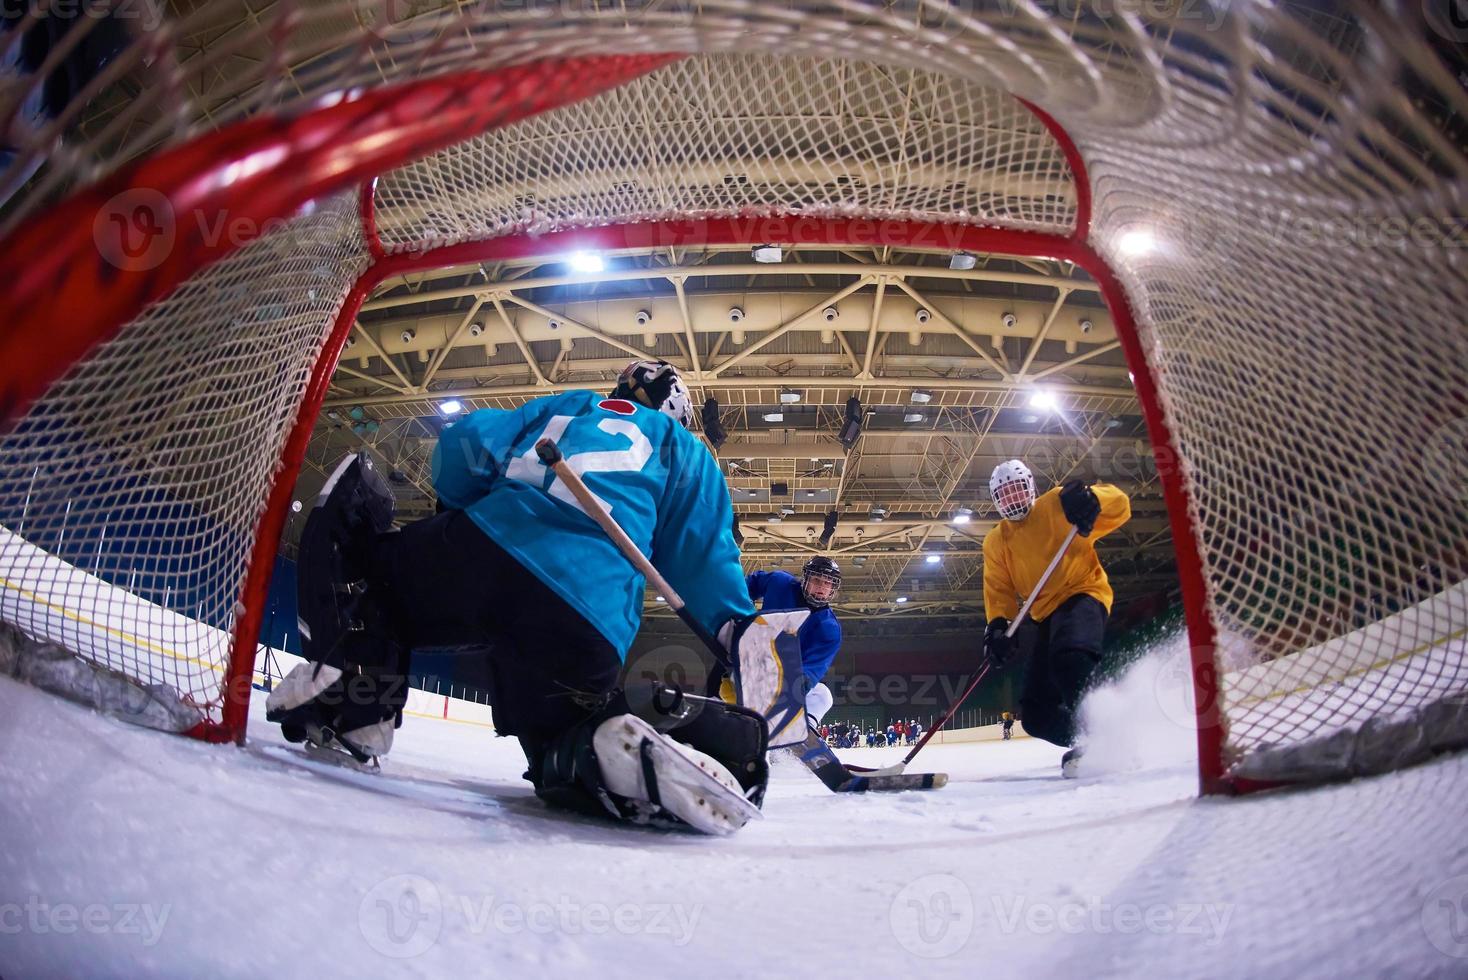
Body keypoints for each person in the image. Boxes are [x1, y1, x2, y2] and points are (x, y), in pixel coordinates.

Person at [267, 360, 771, 834]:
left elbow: (462, 448)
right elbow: (702, 554)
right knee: (557, 738)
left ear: (620, 391)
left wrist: (460, 504)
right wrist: (732, 626)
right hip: (585, 614)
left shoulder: (569, 405)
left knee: (375, 583)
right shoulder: (685, 451)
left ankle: (356, 710)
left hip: (483, 549)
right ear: (678, 416)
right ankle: (594, 747)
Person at [980, 459, 1130, 777]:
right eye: (1003, 495)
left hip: (1083, 592)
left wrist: (1092, 501)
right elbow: (999, 590)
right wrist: (997, 626)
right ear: (995, 501)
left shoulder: (1059, 504)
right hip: (1045, 614)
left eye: (1017, 490)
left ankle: (1101, 735)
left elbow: (1120, 504)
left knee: (1070, 656)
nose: (1012, 500)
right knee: (1035, 713)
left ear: (1030, 488)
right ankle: (1099, 735)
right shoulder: (996, 541)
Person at [744, 555, 844, 725]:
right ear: (805, 579)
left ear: (833, 588)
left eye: (828, 583)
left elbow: (810, 671)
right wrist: (742, 611)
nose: (821, 587)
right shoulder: (779, 582)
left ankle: (804, 730)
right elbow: (748, 585)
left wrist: (784, 695)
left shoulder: (829, 629)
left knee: (823, 695)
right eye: (817, 580)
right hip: (748, 658)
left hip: (781, 679)